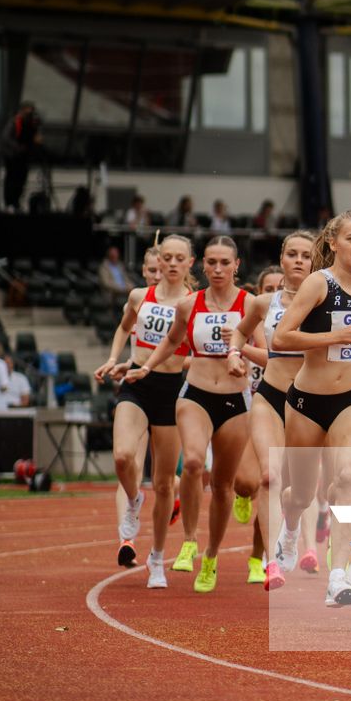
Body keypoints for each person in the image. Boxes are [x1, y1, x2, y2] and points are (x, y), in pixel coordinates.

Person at [125, 233, 252, 593]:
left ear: (236, 266)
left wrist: (240, 351)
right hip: (195, 393)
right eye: (212, 262)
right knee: (194, 462)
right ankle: (190, 540)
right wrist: (146, 367)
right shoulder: (189, 304)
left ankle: (211, 556)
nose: (218, 269)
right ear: (203, 265)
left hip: (235, 400)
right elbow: (171, 341)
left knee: (224, 485)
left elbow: (266, 350)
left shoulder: (250, 304)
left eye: (225, 263)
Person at [265, 210, 351, 610]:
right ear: (333, 242)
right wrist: (333, 336)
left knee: (347, 479)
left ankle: (337, 577)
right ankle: (290, 529)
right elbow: (282, 337)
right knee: (301, 493)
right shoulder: (318, 283)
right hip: (306, 402)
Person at [95, 233, 196, 585]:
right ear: (157, 262)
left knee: (165, 484)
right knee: (123, 457)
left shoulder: (194, 303)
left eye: (179, 258)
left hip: (171, 390)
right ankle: (134, 498)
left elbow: (198, 353)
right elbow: (124, 328)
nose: (171, 264)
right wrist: (115, 359)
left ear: (189, 263)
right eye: (166, 258)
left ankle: (156, 559)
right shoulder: (139, 296)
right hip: (136, 384)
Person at [227, 236, 317, 589]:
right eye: (292, 254)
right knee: (268, 476)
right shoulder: (264, 302)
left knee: (302, 491)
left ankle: (291, 533)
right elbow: (239, 332)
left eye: (306, 256)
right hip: (270, 395)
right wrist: (234, 354)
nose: (299, 261)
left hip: (308, 402)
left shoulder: (325, 301)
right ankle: (271, 562)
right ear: (282, 258)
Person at [2, 101, 43, 211]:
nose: (30, 114)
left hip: (24, 158)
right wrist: (17, 147)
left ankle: (16, 202)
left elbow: (35, 138)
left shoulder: (32, 124)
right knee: (12, 180)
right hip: (13, 157)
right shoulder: (15, 122)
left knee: (21, 181)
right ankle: (9, 202)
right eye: (28, 111)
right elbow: (6, 137)